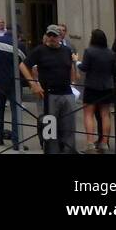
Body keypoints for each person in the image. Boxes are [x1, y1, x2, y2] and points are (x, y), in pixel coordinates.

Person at [20, 24, 78, 153]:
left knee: (69, 127)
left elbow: (71, 68)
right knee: (50, 129)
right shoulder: (40, 50)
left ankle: (69, 150)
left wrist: (73, 82)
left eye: (54, 35)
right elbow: (23, 65)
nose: (51, 38)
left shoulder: (67, 50)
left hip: (67, 92)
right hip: (49, 95)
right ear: (46, 36)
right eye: (49, 35)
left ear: (60, 37)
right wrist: (33, 84)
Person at [78, 28, 116, 152]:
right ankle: (104, 142)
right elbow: (113, 69)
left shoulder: (89, 51)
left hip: (92, 85)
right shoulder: (111, 53)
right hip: (107, 86)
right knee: (105, 114)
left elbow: (84, 68)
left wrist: (76, 62)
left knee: (88, 114)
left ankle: (90, 142)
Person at [0, 21, 25, 146]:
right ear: (18, 34)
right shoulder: (20, 46)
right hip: (13, 82)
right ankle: (16, 141)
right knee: (16, 112)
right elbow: (24, 64)